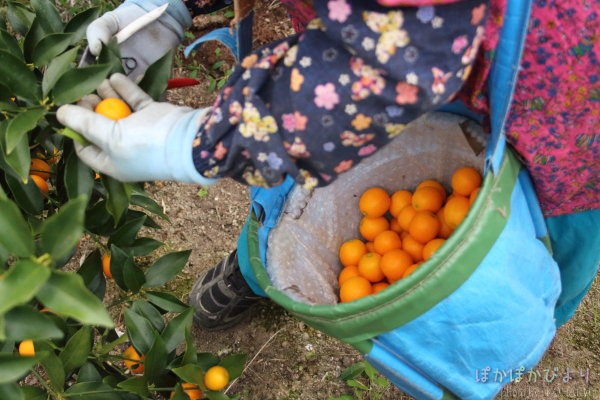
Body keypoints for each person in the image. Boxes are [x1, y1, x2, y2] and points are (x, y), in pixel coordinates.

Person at [57, 0, 599, 331]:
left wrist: (201, 142)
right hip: (356, 55)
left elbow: (407, 44)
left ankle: (501, 328)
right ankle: (261, 275)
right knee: (305, 200)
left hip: (552, 90)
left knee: (545, 240)